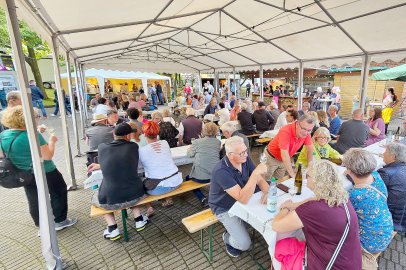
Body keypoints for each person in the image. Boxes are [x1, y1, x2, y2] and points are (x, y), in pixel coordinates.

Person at [272, 160, 362, 269]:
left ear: (316, 181)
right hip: (350, 261)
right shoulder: (342, 197)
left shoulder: (312, 209)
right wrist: (296, 205)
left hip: (327, 265)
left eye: (308, 176)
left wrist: (285, 207)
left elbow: (277, 226)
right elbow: (315, 198)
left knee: (281, 246)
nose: (305, 179)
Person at [0, 106, 77, 231]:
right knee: (58, 191)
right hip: (45, 171)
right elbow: (47, 156)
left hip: (24, 174)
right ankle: (59, 221)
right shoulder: (33, 136)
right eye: (36, 116)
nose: (38, 119)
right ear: (26, 119)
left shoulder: (4, 135)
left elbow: (2, 155)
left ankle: (41, 225)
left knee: (34, 198)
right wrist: (52, 141)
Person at [209, 136, 269, 257]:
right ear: (230, 155)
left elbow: (260, 180)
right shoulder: (221, 171)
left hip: (241, 201)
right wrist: (256, 173)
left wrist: (267, 192)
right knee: (244, 245)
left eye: (246, 150)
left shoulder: (244, 159)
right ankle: (227, 237)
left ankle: (236, 229)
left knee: (263, 218)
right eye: (242, 153)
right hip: (225, 207)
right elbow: (243, 198)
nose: (246, 154)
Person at [89, 123, 148, 239]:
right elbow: (123, 161)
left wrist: (100, 165)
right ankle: (139, 219)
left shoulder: (102, 147)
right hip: (136, 195)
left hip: (111, 200)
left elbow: (113, 161)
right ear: (128, 136)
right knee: (129, 181)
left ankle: (112, 228)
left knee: (98, 195)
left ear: (113, 134)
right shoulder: (133, 147)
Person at [343, 149, 394, 268]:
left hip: (370, 243)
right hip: (386, 232)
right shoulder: (377, 177)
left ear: (349, 170)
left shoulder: (355, 194)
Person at [139, 121, 183, 206]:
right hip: (177, 181)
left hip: (159, 189)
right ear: (157, 133)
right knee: (161, 175)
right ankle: (168, 199)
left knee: (141, 183)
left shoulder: (142, 150)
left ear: (144, 134)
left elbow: (139, 166)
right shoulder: (165, 143)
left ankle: (148, 208)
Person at [264, 114, 315, 179]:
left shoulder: (307, 133)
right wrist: (293, 175)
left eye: (309, 130)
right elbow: (284, 154)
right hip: (270, 158)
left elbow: (310, 148)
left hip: (283, 160)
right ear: (297, 124)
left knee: (278, 182)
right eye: (304, 129)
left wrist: (310, 163)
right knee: (265, 181)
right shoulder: (286, 131)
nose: (305, 133)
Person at [186, 123, 221, 205]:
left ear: (203, 131)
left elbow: (190, 154)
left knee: (188, 178)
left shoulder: (197, 142)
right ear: (215, 131)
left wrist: (189, 149)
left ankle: (202, 197)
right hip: (215, 175)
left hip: (201, 178)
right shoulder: (217, 142)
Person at [378, 143, 406, 233]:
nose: (383, 154)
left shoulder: (385, 173)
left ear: (393, 157)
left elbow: (375, 195)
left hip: (392, 219)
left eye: (385, 152)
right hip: (402, 217)